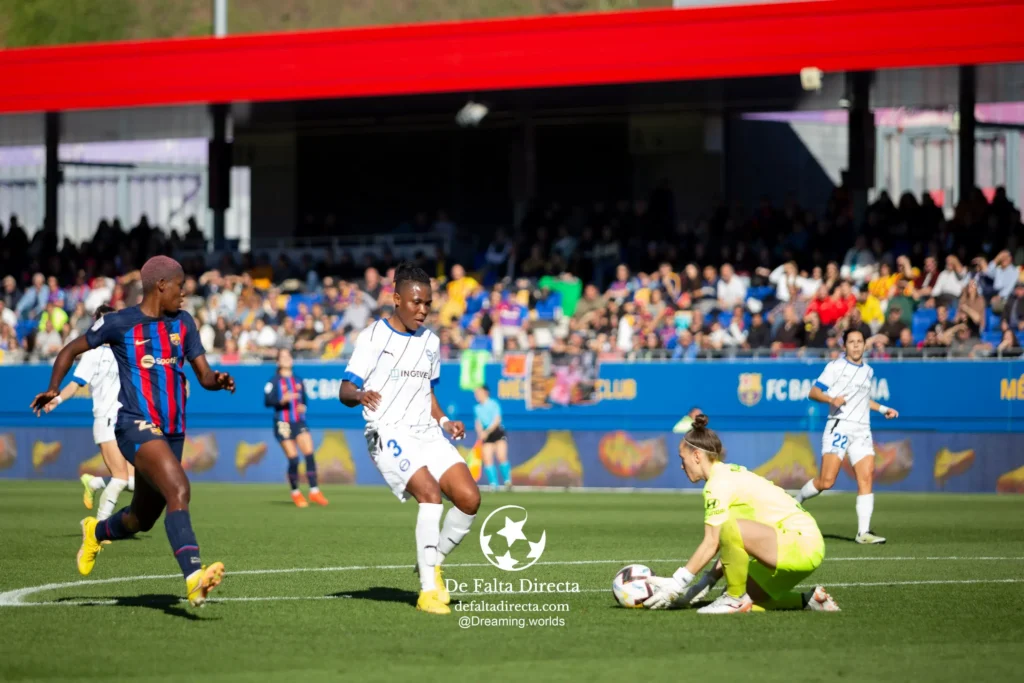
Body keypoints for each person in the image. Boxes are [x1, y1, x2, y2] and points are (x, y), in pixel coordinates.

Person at [30, 256, 235, 607]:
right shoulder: (120, 323)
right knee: (179, 489)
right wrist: (53, 387)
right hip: (134, 426)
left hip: (172, 432)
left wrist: (217, 381)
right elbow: (70, 349)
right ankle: (194, 577)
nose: (184, 294)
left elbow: (202, 375)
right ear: (161, 286)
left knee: (142, 519)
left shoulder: (183, 323)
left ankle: (95, 531)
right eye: (180, 286)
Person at [339, 262, 481, 616]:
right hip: (387, 432)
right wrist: (360, 395)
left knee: (469, 498)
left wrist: (445, 421)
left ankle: (430, 562)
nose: (422, 310)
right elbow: (345, 389)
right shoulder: (374, 337)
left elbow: (426, 393)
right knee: (430, 496)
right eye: (416, 302)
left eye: (428, 304)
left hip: (427, 433)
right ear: (396, 299)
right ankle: (429, 591)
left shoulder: (431, 342)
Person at [642, 414, 840, 614]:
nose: (681, 465)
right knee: (752, 598)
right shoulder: (726, 474)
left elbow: (713, 541)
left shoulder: (717, 484)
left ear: (696, 456)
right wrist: (704, 583)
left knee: (730, 547)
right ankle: (811, 600)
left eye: (682, 458)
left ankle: (732, 600)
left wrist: (677, 583)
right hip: (802, 544)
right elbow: (732, 542)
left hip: (800, 544)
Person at [794, 329, 899, 544]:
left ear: (864, 345)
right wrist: (831, 399)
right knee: (826, 481)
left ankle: (863, 533)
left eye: (859, 341)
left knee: (867, 476)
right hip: (839, 428)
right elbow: (813, 392)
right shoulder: (835, 367)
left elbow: (862, 400)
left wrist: (882, 409)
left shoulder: (868, 371)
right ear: (845, 346)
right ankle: (797, 500)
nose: (856, 345)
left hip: (862, 431)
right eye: (852, 342)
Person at [40, 305, 136, 520]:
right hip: (105, 418)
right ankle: (99, 529)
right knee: (120, 479)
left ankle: (93, 482)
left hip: (126, 421)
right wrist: (56, 400)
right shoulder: (93, 354)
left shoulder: (126, 350)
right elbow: (76, 384)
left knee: (136, 484)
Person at [264, 348, 327, 507]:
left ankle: (314, 490)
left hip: (299, 422)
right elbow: (267, 401)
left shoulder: (298, 381)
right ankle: (296, 492)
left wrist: (303, 407)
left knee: (309, 453)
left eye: (288, 356)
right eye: (283, 356)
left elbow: (304, 401)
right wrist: (281, 400)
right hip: (283, 423)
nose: (286, 359)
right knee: (294, 459)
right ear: (278, 362)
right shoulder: (274, 382)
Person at [473, 386, 510, 490]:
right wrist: (480, 433)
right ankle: (494, 484)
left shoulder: (493, 404)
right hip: (486, 436)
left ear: (485, 392)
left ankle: (507, 481)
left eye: (478, 392)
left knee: (501, 456)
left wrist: (487, 431)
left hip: (497, 433)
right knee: (488, 459)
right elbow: (478, 422)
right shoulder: (477, 408)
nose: (476, 395)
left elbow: (497, 420)